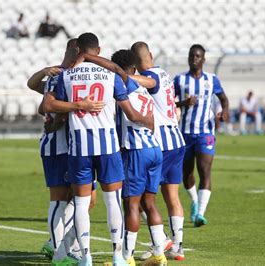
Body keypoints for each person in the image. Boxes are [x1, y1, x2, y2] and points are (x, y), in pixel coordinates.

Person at [44, 32, 153, 266]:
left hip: (78, 147)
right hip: (108, 147)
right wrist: (148, 121)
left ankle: (86, 257)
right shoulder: (110, 75)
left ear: (78, 49)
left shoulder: (66, 76)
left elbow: (48, 104)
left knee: (81, 205)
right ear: (99, 50)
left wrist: (74, 108)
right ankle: (117, 256)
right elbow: (128, 111)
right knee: (112, 200)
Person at [28, 39, 106, 265]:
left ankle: (61, 245)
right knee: (60, 199)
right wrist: (79, 106)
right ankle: (57, 250)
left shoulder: (73, 75)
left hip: (75, 146)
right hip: (57, 145)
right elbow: (45, 105)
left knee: (86, 199)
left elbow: (36, 92)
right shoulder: (60, 75)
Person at [111, 49, 169, 266]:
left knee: (132, 205)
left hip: (136, 150)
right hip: (154, 148)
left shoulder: (123, 85)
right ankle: (159, 254)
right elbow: (151, 120)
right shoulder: (143, 90)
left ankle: (127, 258)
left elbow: (133, 116)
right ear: (134, 68)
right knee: (150, 203)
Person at [131, 41, 187, 261]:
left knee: (145, 198)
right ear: (151, 54)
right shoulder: (164, 72)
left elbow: (148, 82)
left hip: (162, 144)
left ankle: (161, 240)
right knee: (172, 196)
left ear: (136, 63)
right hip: (177, 140)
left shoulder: (151, 76)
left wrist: (122, 76)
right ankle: (177, 246)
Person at [173, 44, 230, 230]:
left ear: (204, 59)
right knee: (187, 173)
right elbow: (169, 101)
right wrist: (184, 102)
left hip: (205, 132)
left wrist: (224, 111)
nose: (195, 59)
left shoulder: (212, 80)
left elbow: (223, 98)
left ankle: (200, 214)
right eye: (192, 56)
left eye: (198, 56)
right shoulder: (179, 80)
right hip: (184, 133)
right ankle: (195, 201)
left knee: (205, 171)